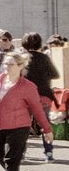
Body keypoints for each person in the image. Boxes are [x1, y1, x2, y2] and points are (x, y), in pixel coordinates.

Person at [22, 33, 59, 163]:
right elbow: (55, 74)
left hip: (25, 96)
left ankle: (22, 151)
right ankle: (48, 152)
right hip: (44, 95)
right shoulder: (44, 58)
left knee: (24, 124)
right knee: (45, 123)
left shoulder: (22, 58)